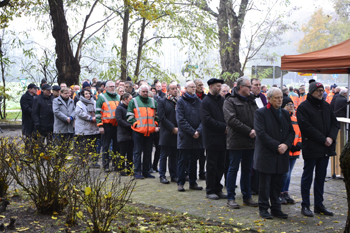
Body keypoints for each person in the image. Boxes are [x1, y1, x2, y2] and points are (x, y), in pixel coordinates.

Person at [297, 82, 339, 217]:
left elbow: (335, 123)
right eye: (317, 90)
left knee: (320, 177)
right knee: (307, 177)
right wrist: (323, 139)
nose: (321, 92)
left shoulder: (326, 106)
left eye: (322, 90)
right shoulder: (303, 107)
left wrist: (331, 137)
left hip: (325, 148)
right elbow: (306, 127)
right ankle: (305, 205)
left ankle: (319, 204)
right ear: (311, 92)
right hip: (312, 147)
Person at [253, 87, 294, 219]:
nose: (280, 100)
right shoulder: (261, 113)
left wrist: (286, 145)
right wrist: (277, 146)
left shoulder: (285, 113)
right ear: (269, 98)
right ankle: (263, 208)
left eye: (281, 97)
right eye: (276, 98)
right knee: (264, 185)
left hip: (281, 154)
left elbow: (291, 132)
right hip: (267, 153)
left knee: (277, 184)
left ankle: (276, 208)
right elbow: (261, 134)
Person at [223, 77, 258, 209]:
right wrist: (249, 131)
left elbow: (258, 116)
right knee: (233, 169)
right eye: (249, 87)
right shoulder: (230, 101)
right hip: (236, 141)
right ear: (240, 87)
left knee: (247, 170)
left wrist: (256, 131)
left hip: (250, 142)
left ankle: (247, 197)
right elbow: (231, 120)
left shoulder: (252, 100)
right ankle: (230, 197)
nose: (251, 89)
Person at [201, 78, 227, 200]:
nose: (219, 88)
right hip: (211, 139)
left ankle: (218, 188)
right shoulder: (205, 101)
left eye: (220, 86)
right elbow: (207, 120)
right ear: (211, 86)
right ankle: (210, 189)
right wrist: (223, 127)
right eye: (217, 86)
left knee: (221, 165)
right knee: (211, 166)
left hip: (223, 138)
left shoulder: (222, 100)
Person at [127, 85, 159, 179]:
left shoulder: (153, 101)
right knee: (137, 152)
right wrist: (135, 124)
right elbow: (129, 116)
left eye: (146, 92)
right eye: (143, 92)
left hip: (150, 131)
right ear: (139, 92)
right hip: (138, 131)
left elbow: (157, 115)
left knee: (148, 152)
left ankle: (146, 171)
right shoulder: (134, 101)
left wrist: (155, 123)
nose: (145, 93)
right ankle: (137, 172)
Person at [176, 81, 203, 192]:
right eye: (191, 87)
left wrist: (198, 131)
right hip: (185, 136)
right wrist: (192, 132)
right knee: (183, 160)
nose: (193, 89)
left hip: (197, 136)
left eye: (194, 87)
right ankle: (181, 183)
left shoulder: (199, 102)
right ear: (185, 88)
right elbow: (181, 120)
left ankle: (193, 182)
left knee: (194, 161)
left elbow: (203, 119)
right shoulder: (181, 102)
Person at [279, 97, 301, 205]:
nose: (291, 106)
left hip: (295, 151)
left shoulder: (296, 119)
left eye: (292, 104)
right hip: (287, 150)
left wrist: (299, 144)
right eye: (288, 104)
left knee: (289, 173)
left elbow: (299, 134)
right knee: (284, 173)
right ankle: (280, 193)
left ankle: (285, 192)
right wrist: (289, 145)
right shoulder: (282, 119)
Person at [96, 80, 120, 172]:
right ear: (105, 88)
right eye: (110, 86)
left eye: (113, 86)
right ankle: (106, 165)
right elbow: (98, 112)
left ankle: (115, 164)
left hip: (116, 125)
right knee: (106, 146)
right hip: (106, 125)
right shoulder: (101, 97)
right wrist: (100, 125)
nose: (112, 88)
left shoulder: (118, 96)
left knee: (116, 146)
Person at [158, 82, 179, 184]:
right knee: (164, 155)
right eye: (173, 88)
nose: (175, 90)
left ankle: (174, 175)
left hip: (177, 133)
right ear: (168, 90)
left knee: (174, 155)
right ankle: (162, 175)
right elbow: (162, 117)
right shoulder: (162, 101)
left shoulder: (178, 102)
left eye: (176, 88)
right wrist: (172, 128)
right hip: (166, 132)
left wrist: (178, 128)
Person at [250, 78, 267, 195]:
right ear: (250, 86)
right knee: (251, 162)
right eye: (256, 85)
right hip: (252, 132)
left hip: (263, 133)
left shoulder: (263, 97)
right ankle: (251, 186)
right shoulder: (248, 98)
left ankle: (259, 186)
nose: (258, 87)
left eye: (260, 85)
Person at [75, 89, 100, 168]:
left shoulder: (95, 102)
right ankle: (83, 161)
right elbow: (80, 113)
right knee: (84, 146)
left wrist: (96, 117)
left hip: (94, 128)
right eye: (86, 94)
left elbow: (98, 111)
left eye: (89, 93)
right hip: (83, 128)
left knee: (94, 146)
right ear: (83, 95)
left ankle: (94, 161)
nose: (88, 95)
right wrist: (90, 118)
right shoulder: (79, 103)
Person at [115, 93, 134, 175]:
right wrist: (130, 126)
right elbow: (119, 120)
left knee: (130, 153)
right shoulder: (119, 108)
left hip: (131, 133)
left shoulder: (131, 108)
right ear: (125, 99)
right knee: (122, 152)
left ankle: (130, 170)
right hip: (123, 133)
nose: (132, 100)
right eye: (130, 99)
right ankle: (121, 170)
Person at [194, 78, 206, 180]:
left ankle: (202, 172)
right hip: (193, 129)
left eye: (202, 85)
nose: (201, 87)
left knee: (203, 154)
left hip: (204, 129)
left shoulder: (205, 98)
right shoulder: (191, 98)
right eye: (199, 85)